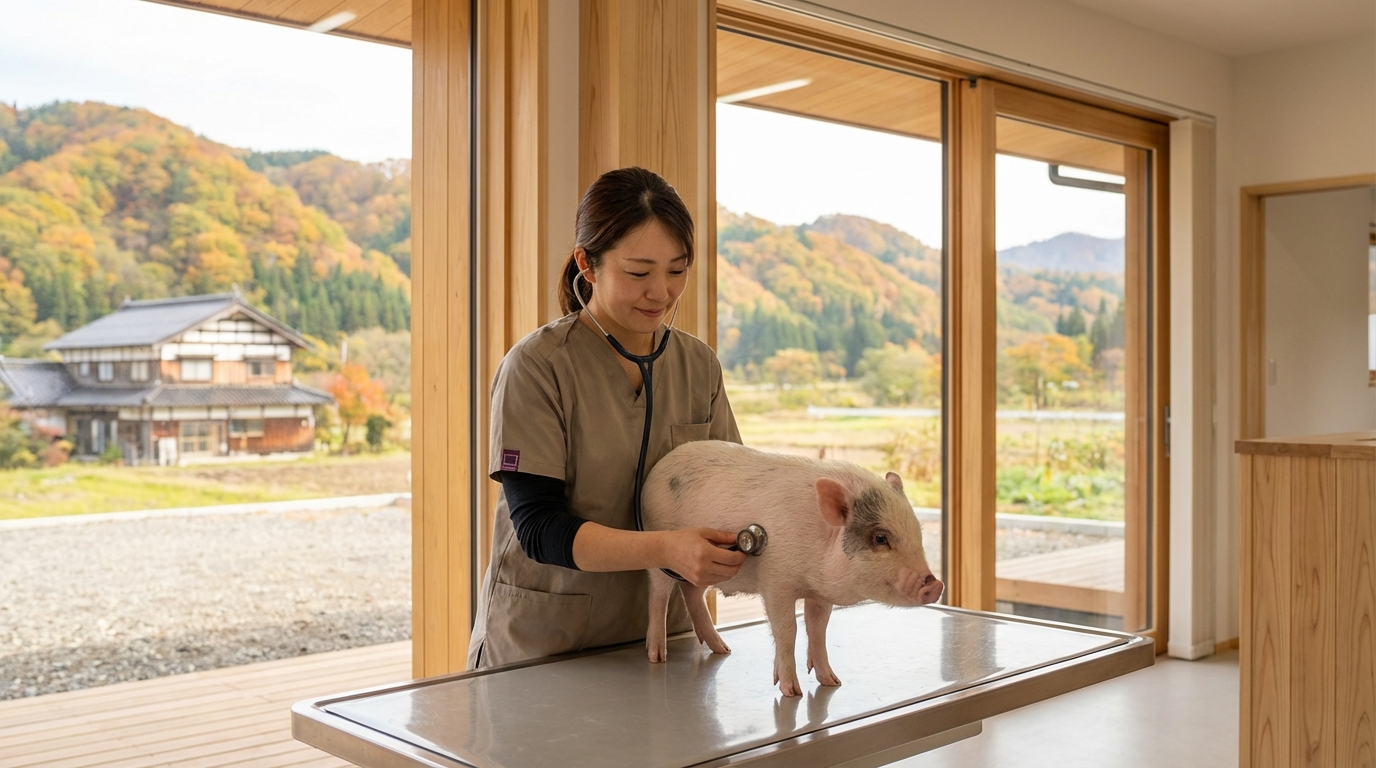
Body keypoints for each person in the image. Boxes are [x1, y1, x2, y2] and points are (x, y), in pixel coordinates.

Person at [467, 167, 745, 670]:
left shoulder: (698, 366)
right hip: (546, 644)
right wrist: (667, 549)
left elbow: (732, 489)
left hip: (667, 642)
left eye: (677, 270)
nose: (660, 292)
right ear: (587, 265)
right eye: (639, 273)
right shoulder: (537, 366)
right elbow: (538, 526)